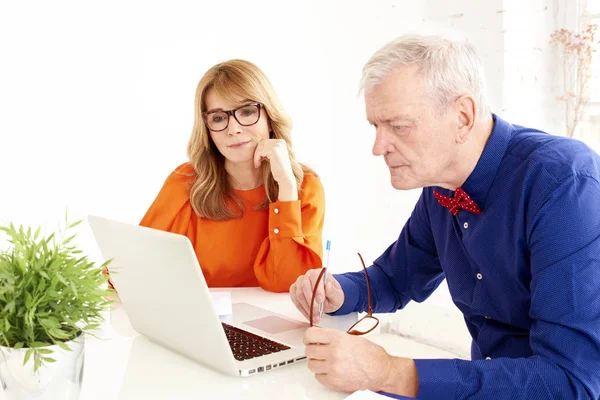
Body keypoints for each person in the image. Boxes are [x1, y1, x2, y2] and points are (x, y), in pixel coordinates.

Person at [290, 33, 600, 399]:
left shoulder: (565, 185)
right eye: (376, 126)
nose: (378, 147)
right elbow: (397, 277)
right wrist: (340, 291)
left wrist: (391, 373)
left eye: (398, 126)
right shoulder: (442, 184)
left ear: (463, 116)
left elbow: (569, 381)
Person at [104, 59, 325, 293]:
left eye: (247, 112)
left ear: (269, 117)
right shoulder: (186, 182)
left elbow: (287, 284)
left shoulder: (304, 187)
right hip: (198, 323)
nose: (233, 129)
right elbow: (128, 272)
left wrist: (286, 190)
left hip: (271, 326)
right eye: (219, 118)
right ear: (207, 128)